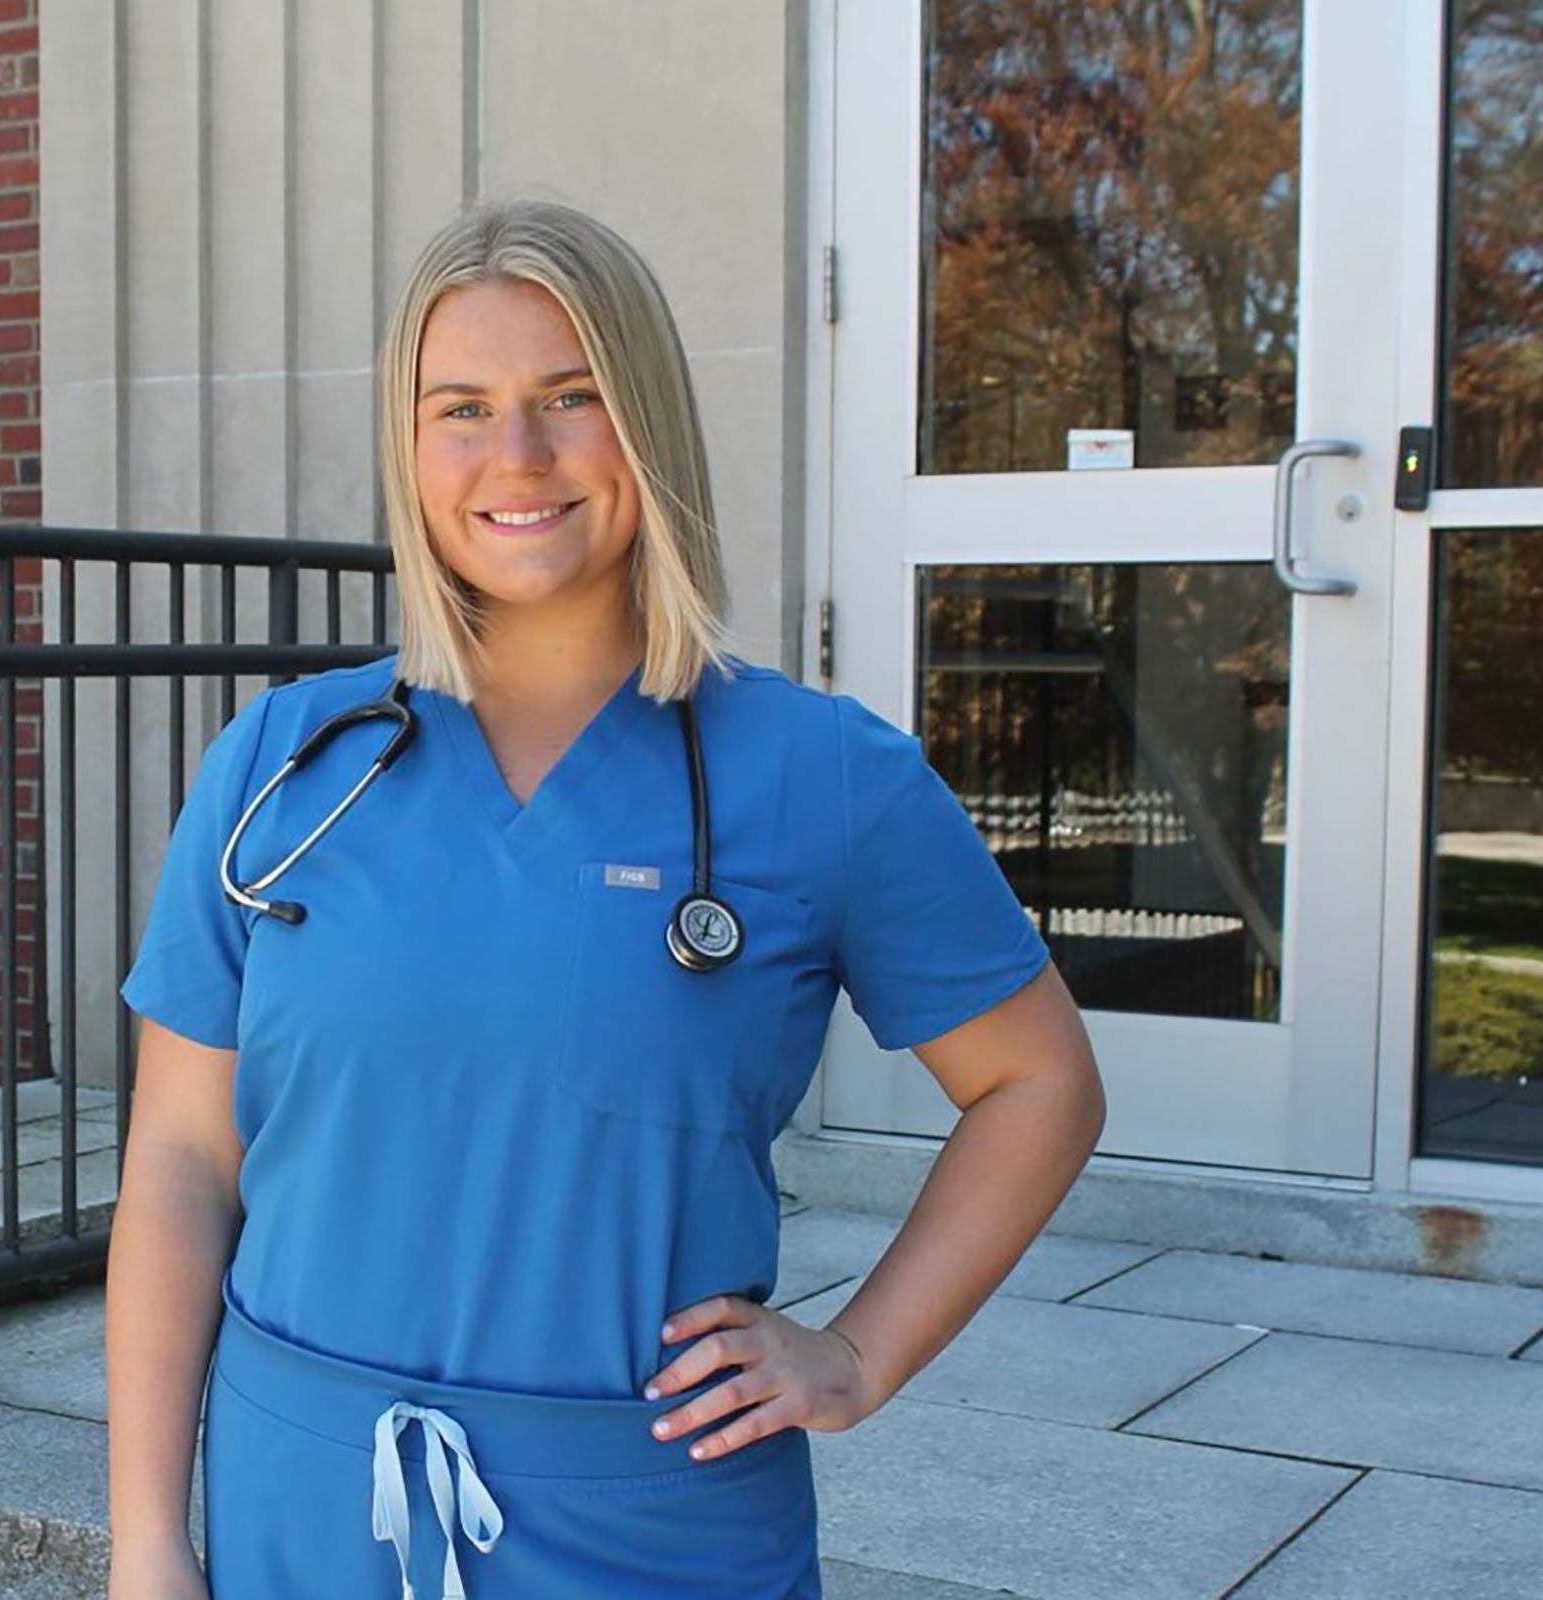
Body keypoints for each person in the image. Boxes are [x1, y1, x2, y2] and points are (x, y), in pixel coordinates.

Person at [103, 197, 1106, 1600]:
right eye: (462, 408)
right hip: (299, 1502)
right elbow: (180, 1161)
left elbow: (1038, 1082)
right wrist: (148, 1539)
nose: (517, 453)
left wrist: (860, 1352)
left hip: (652, 1526)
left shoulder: (823, 776)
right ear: (409, 448)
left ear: (648, 421)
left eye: (572, 396)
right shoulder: (283, 762)